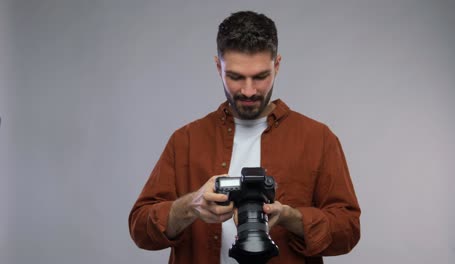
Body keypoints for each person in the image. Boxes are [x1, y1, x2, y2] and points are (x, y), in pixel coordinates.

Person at [129, 10, 360, 264]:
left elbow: (348, 230)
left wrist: (289, 217)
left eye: (261, 77)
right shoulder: (186, 140)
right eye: (235, 77)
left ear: (277, 66)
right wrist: (190, 206)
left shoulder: (317, 139)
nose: (248, 91)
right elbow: (140, 229)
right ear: (219, 67)